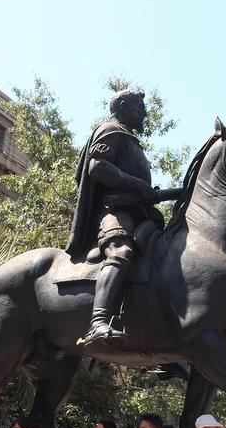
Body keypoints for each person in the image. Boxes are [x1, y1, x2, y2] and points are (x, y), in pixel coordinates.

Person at [67, 89, 158, 348]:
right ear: (124, 107)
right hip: (114, 212)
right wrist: (139, 186)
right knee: (121, 251)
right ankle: (98, 322)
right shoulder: (110, 131)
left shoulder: (130, 140)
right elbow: (97, 167)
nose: (144, 113)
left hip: (139, 216)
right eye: (139, 107)